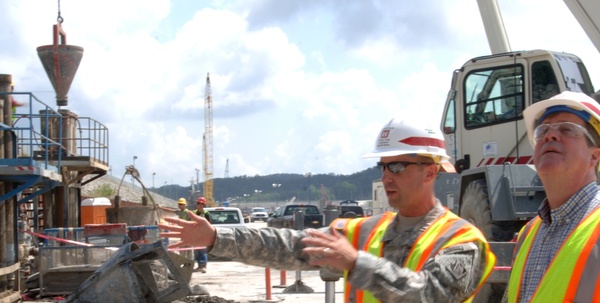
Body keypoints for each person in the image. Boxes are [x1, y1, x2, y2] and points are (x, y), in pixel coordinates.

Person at [159, 118, 496, 302]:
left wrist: (355, 262)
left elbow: (428, 296)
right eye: (383, 166)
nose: (385, 177)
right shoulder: (364, 231)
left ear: (430, 171)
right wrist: (218, 237)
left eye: (398, 167)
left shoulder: (461, 240)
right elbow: (289, 245)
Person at [505, 91, 600, 302]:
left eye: (567, 129)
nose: (550, 135)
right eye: (542, 131)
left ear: (594, 156)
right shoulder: (527, 234)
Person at [193, 197, 211, 273]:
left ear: (203, 205)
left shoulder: (206, 214)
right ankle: (200, 265)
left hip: (204, 234)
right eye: (198, 203)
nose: (199, 205)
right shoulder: (195, 212)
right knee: (198, 251)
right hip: (197, 234)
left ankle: (203, 266)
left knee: (203, 251)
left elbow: (209, 224)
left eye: (201, 203)